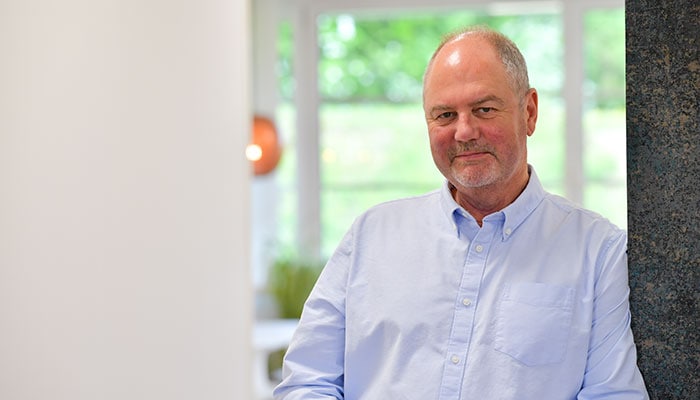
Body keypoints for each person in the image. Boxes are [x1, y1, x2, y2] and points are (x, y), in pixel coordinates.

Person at [273, 26, 648, 399]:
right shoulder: (370, 235)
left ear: (529, 112)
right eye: (445, 115)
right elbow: (306, 382)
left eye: (484, 109)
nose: (464, 132)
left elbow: (613, 393)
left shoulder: (597, 249)